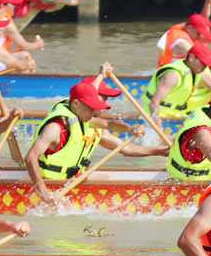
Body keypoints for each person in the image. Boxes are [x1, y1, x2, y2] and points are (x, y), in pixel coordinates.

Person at [27, 82, 166, 204]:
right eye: (91, 108)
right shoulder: (55, 128)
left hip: (71, 177)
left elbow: (109, 124)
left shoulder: (85, 120)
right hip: (51, 180)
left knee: (109, 180)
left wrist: (133, 130)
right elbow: (30, 157)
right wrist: (44, 193)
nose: (97, 113)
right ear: (75, 104)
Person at [143, 44, 211, 126]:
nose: (205, 67)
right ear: (191, 57)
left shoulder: (198, 71)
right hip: (158, 116)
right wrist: (160, 130)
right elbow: (154, 103)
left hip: (177, 114)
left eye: (206, 64)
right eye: (202, 62)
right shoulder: (173, 75)